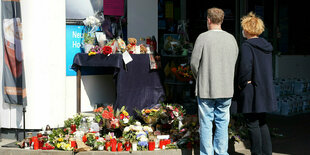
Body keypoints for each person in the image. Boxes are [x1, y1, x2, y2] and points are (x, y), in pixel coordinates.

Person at [190, 7, 239, 155]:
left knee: (206, 124)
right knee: (223, 123)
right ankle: (221, 152)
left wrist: (200, 77)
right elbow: (235, 63)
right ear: (222, 20)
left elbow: (193, 63)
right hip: (225, 88)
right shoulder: (231, 39)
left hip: (206, 89)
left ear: (208, 20)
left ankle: (207, 153)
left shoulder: (202, 38)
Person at [236, 12, 277, 155]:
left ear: (246, 29)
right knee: (262, 122)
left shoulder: (247, 46)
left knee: (252, 124)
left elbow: (245, 68)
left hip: (251, 89)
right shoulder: (266, 47)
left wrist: (242, 83)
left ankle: (256, 153)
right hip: (264, 89)